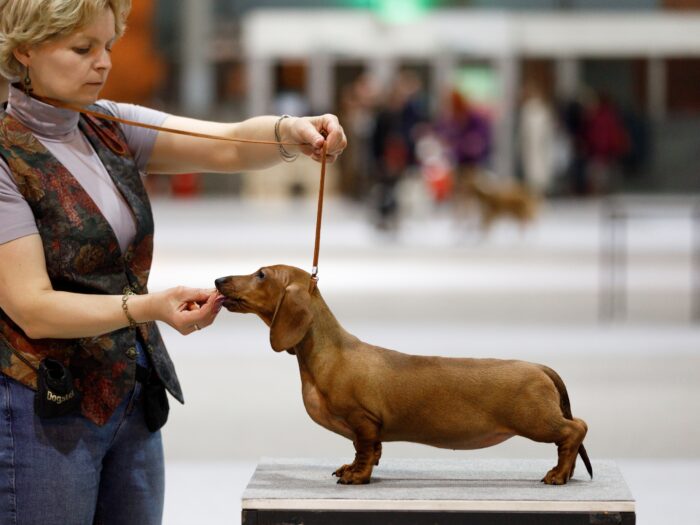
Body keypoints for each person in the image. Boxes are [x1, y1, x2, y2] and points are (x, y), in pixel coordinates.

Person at [0, 1, 346, 524]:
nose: (104, 63)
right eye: (82, 48)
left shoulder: (109, 125)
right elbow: (33, 308)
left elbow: (227, 145)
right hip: (42, 409)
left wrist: (290, 132)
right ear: (24, 48)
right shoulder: (6, 156)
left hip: (134, 399)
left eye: (108, 46)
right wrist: (149, 307)